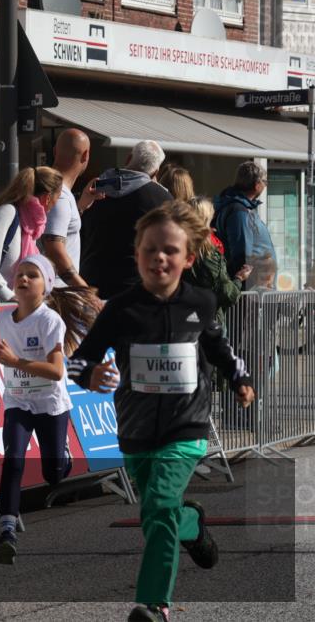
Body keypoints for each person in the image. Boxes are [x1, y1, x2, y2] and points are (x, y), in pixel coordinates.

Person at [67, 200, 255, 622]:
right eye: (150, 249)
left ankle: (155, 605)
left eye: (170, 250)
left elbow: (220, 349)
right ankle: (191, 524)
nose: (159, 258)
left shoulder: (202, 302)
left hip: (186, 428)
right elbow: (78, 361)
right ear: (137, 255)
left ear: (188, 258)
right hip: (135, 430)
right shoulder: (121, 309)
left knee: (157, 505)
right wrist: (89, 375)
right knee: (162, 511)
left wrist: (240, 379)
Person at [0, 254, 99, 565]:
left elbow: (55, 372)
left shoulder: (50, 321)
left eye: (32, 275)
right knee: (13, 460)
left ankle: (62, 453)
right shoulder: (2, 319)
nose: (23, 279)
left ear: (45, 287)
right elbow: (4, 354)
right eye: (20, 274)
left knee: (53, 475)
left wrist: (14, 362)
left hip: (49, 404)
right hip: (17, 401)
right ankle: (7, 531)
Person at [80, 140, 173, 300]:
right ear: (155, 171)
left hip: (90, 282)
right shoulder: (161, 198)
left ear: (128, 158)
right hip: (133, 286)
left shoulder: (95, 188)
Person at [0, 167, 63, 302]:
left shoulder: (29, 228)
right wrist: (7, 294)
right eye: (58, 198)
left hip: (7, 307)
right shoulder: (8, 212)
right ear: (48, 198)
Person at [41, 129, 102, 288]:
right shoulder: (59, 195)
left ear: (55, 151)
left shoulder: (56, 192)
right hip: (57, 292)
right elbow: (54, 248)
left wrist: (81, 205)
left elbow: (60, 230)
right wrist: (82, 289)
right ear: (85, 155)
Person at [185, 196, 250, 331]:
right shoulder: (207, 252)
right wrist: (239, 279)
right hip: (209, 321)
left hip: (185, 317)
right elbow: (226, 293)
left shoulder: (178, 248)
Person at [213, 161, 277, 287]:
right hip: (252, 289)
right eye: (265, 182)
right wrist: (244, 286)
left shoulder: (240, 207)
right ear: (257, 185)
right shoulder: (239, 211)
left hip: (257, 287)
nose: (265, 185)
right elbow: (242, 255)